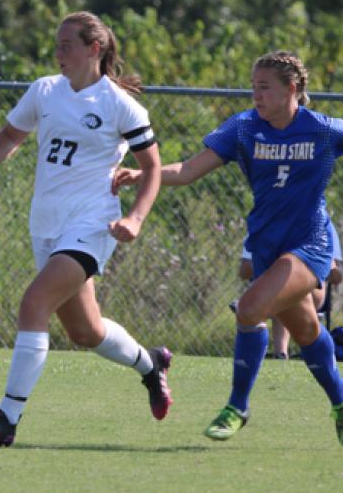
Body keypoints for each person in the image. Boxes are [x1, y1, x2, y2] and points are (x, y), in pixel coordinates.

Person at [0, 11, 173, 447]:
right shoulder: (45, 90)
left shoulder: (119, 104)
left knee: (34, 303)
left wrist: (134, 218)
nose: (58, 54)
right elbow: (11, 135)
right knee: (85, 333)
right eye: (56, 45)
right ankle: (151, 365)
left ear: (94, 49)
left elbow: (151, 169)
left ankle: (6, 419)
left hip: (92, 222)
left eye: (66, 45)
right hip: (47, 224)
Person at [112, 50, 343, 444]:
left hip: (311, 243)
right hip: (267, 244)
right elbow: (187, 170)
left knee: (250, 309)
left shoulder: (324, 131)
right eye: (253, 87)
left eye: (265, 88)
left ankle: (237, 406)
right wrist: (142, 173)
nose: (256, 95)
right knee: (307, 332)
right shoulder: (244, 128)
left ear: (292, 88)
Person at [235, 222, 342, 359]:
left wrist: (327, 264)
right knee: (282, 289)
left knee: (286, 291)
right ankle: (282, 354)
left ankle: (283, 352)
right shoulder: (263, 221)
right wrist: (274, 265)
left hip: (310, 291)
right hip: (271, 292)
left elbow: (337, 277)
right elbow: (244, 271)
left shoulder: (322, 223)